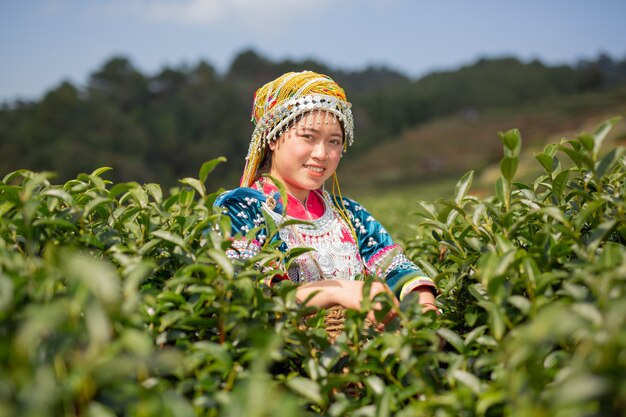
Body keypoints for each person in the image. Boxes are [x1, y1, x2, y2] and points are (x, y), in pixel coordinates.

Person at [214, 70, 437, 325]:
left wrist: (425, 306)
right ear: (273, 138)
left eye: (334, 141)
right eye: (308, 137)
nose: (322, 153)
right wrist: (335, 291)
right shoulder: (242, 208)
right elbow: (244, 289)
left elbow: (397, 268)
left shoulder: (350, 214)